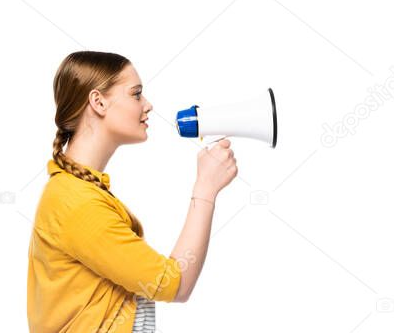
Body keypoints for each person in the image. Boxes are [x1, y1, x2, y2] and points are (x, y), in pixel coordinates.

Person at [27, 51, 237, 333]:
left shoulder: (79, 191)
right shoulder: (76, 202)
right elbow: (173, 284)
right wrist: (206, 189)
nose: (148, 105)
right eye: (136, 94)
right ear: (98, 102)